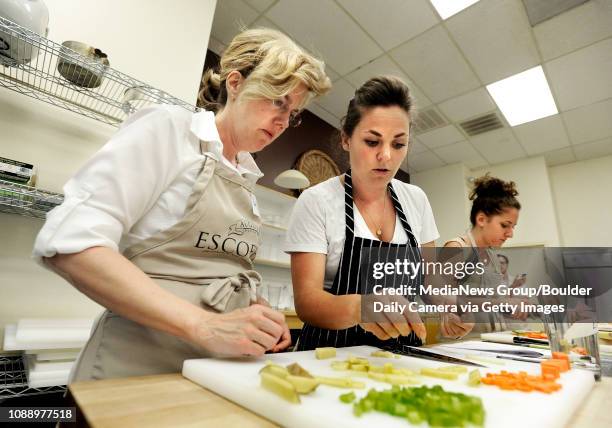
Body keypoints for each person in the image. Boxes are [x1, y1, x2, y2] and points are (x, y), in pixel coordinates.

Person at [32, 27, 331, 381]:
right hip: (135, 370)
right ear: (235, 83)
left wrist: (252, 310)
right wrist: (203, 325)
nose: (284, 121)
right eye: (278, 100)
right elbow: (71, 244)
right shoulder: (172, 131)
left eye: (293, 112)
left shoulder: (247, 181)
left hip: (212, 374)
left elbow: (208, 274)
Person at [284, 76, 445, 351]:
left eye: (398, 144)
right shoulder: (316, 201)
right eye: (372, 142)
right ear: (346, 139)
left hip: (400, 359)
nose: (386, 156)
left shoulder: (416, 200)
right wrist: (362, 307)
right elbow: (308, 303)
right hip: (330, 358)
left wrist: (456, 308)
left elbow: (430, 281)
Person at [444, 175, 528, 332]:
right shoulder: (456, 247)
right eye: (505, 225)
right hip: (463, 342)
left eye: (513, 227)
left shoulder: (493, 257)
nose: (510, 234)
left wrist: (515, 301)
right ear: (481, 219)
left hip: (494, 340)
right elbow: (440, 298)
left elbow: (495, 300)